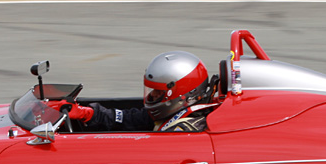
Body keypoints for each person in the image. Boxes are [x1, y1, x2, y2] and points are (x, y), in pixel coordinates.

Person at [49, 51, 217, 132]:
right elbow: (129, 118)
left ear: (182, 95)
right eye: (152, 89)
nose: (152, 95)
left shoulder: (185, 130)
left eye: (158, 92)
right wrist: (88, 114)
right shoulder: (168, 116)